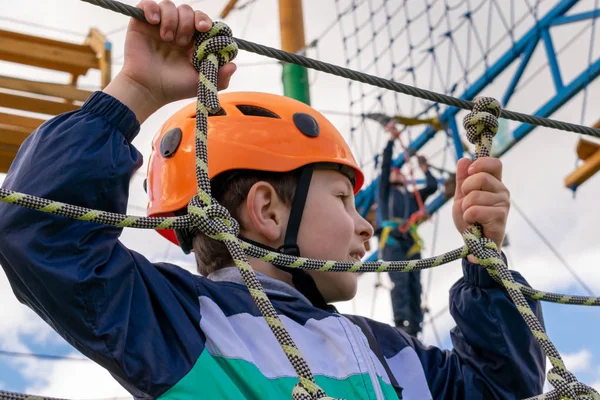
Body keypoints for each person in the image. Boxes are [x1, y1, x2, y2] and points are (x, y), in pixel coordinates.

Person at [0, 2, 545, 399]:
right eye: (344, 199)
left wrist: (485, 262)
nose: (366, 228)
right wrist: (137, 90)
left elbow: (501, 385)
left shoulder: (392, 354)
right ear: (267, 211)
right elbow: (40, 231)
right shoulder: (179, 322)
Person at [377, 122, 439, 335]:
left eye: (399, 172)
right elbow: (385, 167)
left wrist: (425, 169)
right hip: (393, 238)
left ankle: (414, 322)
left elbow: (432, 186)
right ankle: (401, 320)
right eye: (394, 172)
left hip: (409, 241)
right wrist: (391, 141)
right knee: (400, 279)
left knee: (415, 283)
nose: (396, 172)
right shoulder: (385, 194)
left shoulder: (412, 197)